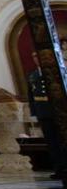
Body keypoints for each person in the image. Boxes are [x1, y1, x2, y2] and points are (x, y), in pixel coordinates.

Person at [27, 51, 67, 179]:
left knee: (63, 140)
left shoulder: (57, 72)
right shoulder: (33, 75)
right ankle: (59, 169)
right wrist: (34, 112)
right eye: (34, 58)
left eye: (37, 57)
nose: (36, 59)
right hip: (43, 112)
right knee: (52, 143)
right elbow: (31, 96)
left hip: (59, 111)